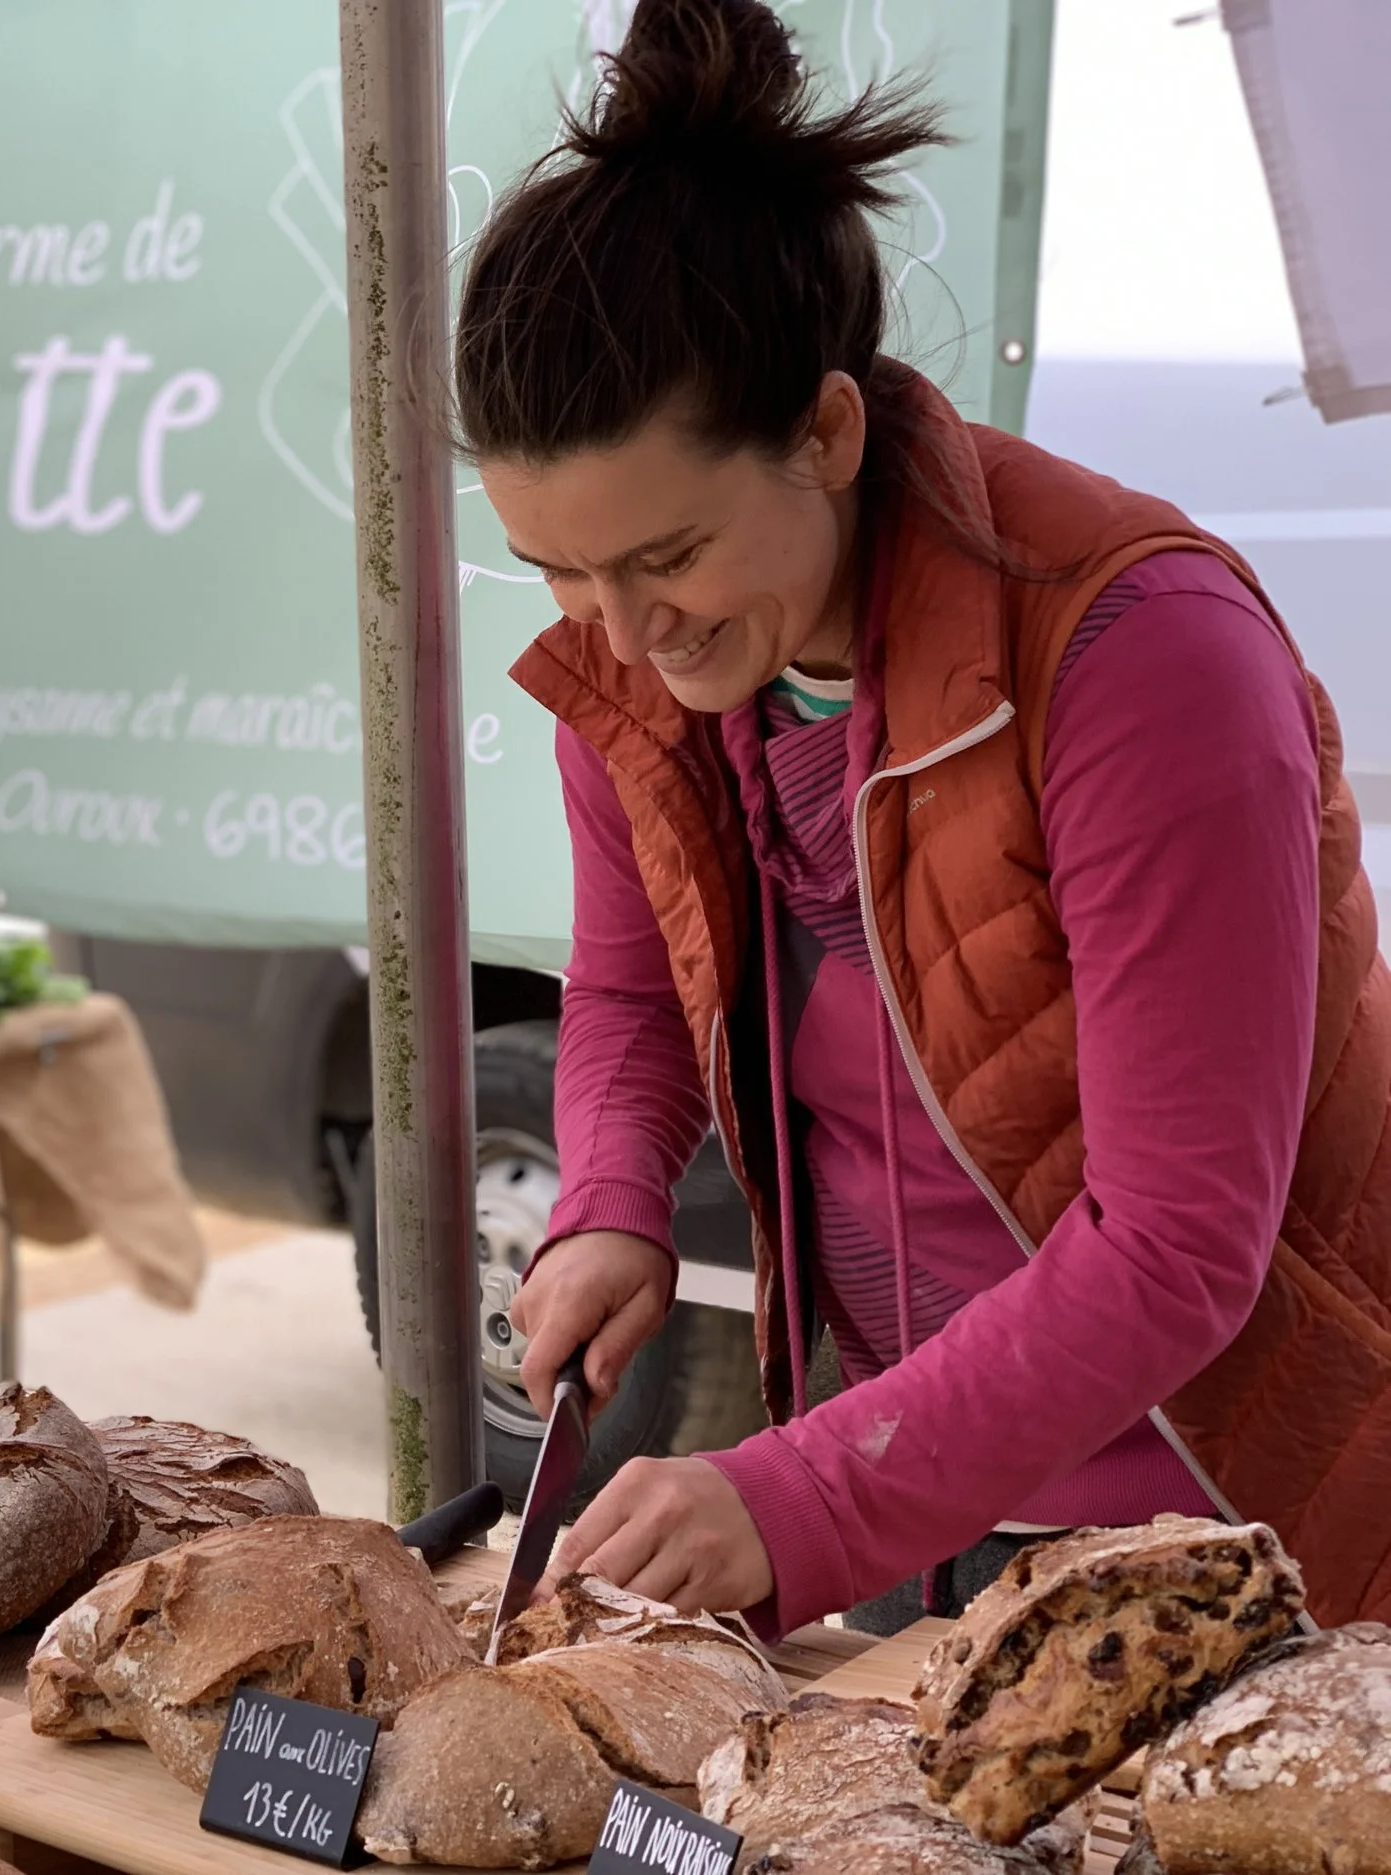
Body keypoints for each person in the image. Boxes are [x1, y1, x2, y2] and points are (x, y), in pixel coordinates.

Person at [462, 0, 1391, 1637]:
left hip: (1251, 1525)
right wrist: (608, 1200)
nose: (620, 633)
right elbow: (626, 992)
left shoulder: (1142, 654)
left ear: (827, 431)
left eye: (667, 556)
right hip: (933, 1492)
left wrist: (803, 1491)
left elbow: (1180, 1243)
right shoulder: (652, 675)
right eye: (560, 569)